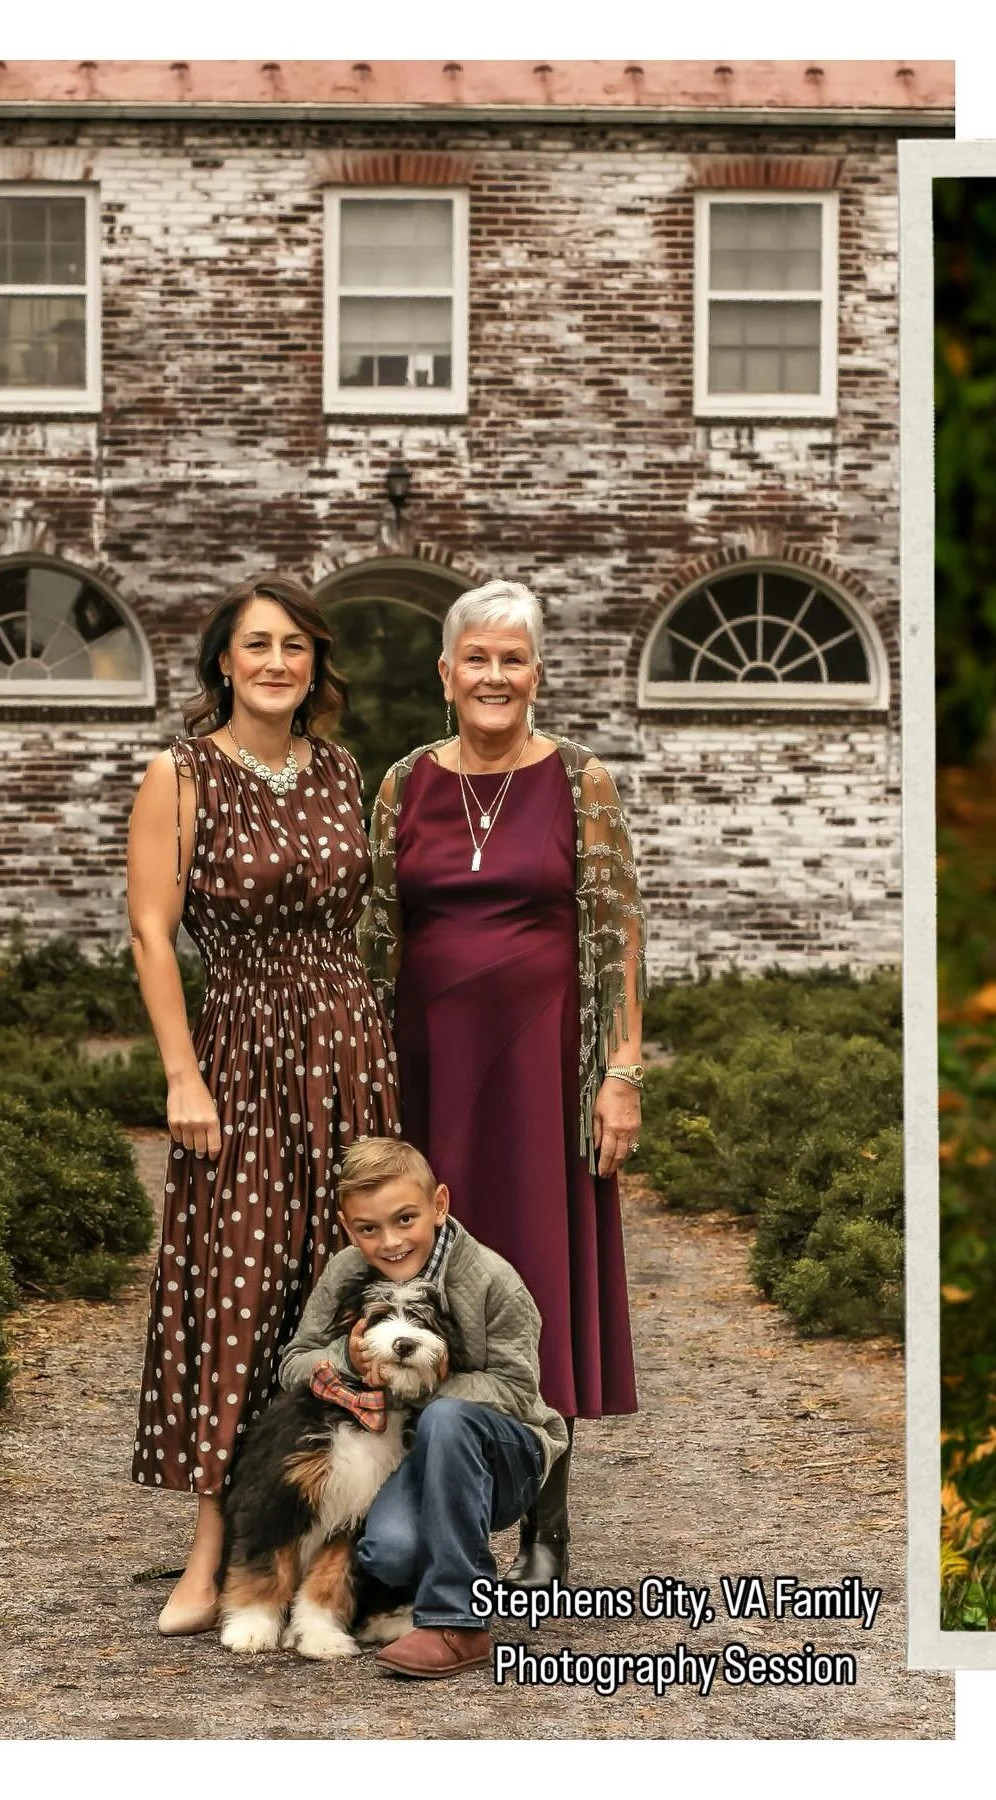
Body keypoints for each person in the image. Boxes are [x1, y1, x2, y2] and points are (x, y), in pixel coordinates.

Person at [358, 579, 645, 1588]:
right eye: (475, 659)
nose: (493, 676)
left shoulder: (582, 780)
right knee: (428, 1280)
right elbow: (375, 938)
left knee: (537, 1275)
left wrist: (620, 1074)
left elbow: (616, 934)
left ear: (537, 672)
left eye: (511, 660)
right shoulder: (403, 781)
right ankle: (442, 1506)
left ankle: (550, 1520)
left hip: (543, 1070)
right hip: (431, 1067)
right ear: (446, 674)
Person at [126, 574, 399, 1635]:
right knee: (234, 1297)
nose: (278, 661)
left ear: (314, 665)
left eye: (294, 645)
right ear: (222, 664)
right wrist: (181, 1072)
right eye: (256, 645)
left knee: (333, 1295)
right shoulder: (180, 774)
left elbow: (375, 925)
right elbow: (154, 934)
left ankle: (341, 1553)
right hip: (238, 1048)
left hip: (347, 1048)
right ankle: (213, 1557)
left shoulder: (340, 772)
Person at [278, 1136, 568, 1678]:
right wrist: (347, 1356)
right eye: (368, 1229)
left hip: (505, 1452)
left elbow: (516, 1390)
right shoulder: (346, 1272)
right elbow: (293, 1363)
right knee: (389, 1553)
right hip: (411, 1456)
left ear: (439, 1204)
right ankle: (395, 1598)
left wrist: (417, 1388)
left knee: (447, 1416)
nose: (389, 1242)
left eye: (405, 1219)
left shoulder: (493, 1281)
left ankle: (458, 1621)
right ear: (348, 1228)